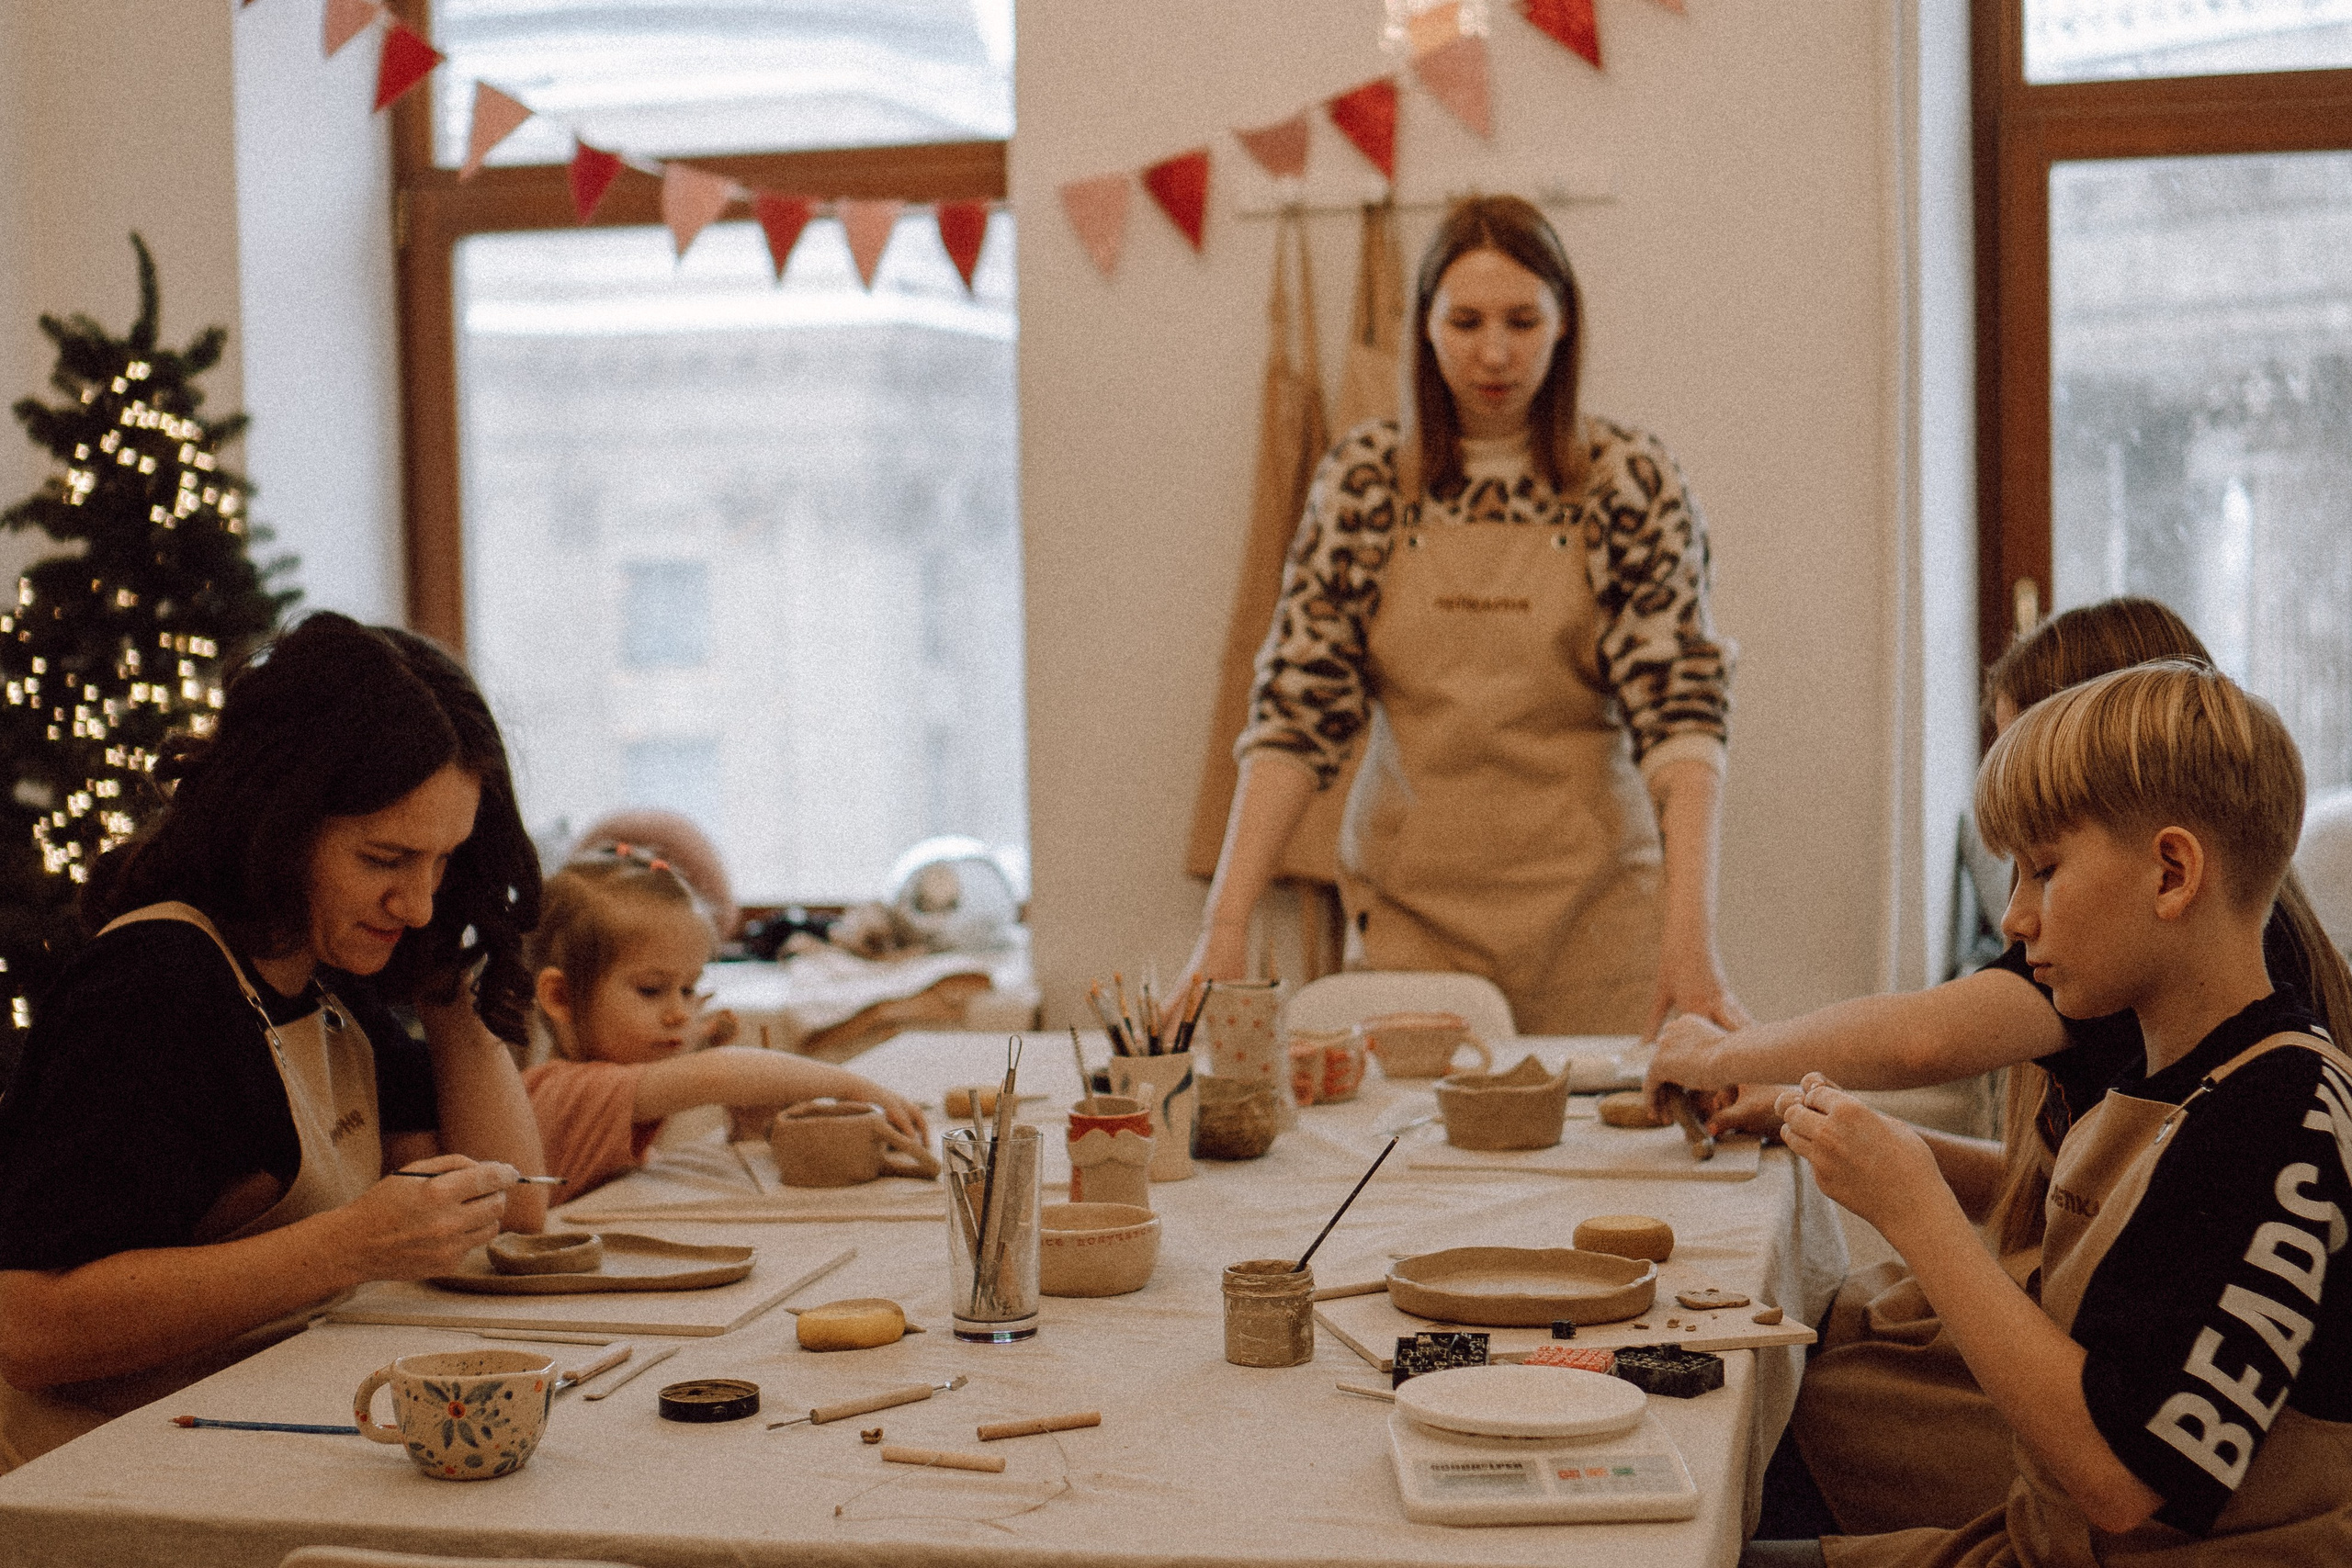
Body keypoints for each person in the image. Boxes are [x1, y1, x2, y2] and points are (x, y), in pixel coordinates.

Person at [1645, 597, 2352, 1536]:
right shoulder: (2167, 1059)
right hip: (2042, 1532)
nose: (2014, 921)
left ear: (2172, 874)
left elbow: (2119, 1483)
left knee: (1727, 1455)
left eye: (2043, 870)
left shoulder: (2274, 1110)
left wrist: (1912, 1209)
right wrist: (1895, 1157)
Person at [0, 613, 551, 1470]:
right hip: (86, 1480)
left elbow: (516, 1215)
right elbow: (29, 1328)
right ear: (279, 820)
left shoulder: (330, 977)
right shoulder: (155, 986)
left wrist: (447, 984)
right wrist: (351, 1245)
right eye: (385, 859)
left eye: (444, 861)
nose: (418, 902)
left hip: (230, 1445)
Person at [1185, 195, 1743, 1037]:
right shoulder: (1366, 484)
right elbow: (1296, 717)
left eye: (1522, 320)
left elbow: (1684, 725)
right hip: (1412, 925)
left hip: (1596, 925)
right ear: (1424, 327)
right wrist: (1222, 932)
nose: (1494, 352)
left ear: (1564, 324)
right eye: (1465, 320)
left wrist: (1690, 940)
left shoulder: (1627, 481)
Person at [523, 849, 928, 1197]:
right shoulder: (560, 1092)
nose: (679, 1013)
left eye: (687, 989)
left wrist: (749, 1127)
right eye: (650, 990)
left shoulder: (618, 1084)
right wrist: (850, 1084)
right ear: (560, 997)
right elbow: (714, 1076)